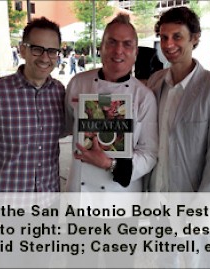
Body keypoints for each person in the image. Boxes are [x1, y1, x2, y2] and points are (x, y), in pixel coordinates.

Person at [65, 13, 158, 267]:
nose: (119, 50)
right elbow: (62, 127)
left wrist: (109, 164)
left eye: (127, 44)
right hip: (80, 200)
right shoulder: (78, 84)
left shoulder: (144, 97)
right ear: (101, 47)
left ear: (136, 52)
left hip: (122, 201)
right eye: (112, 42)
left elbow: (149, 153)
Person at [146, 7, 210, 268]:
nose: (169, 44)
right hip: (159, 195)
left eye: (177, 37)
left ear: (194, 38)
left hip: (195, 198)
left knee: (197, 262)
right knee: (165, 260)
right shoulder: (154, 82)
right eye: (163, 37)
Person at [0, 16, 66, 192]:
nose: (45, 57)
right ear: (22, 50)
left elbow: (71, 129)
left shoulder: (59, 92)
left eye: (51, 51)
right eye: (37, 49)